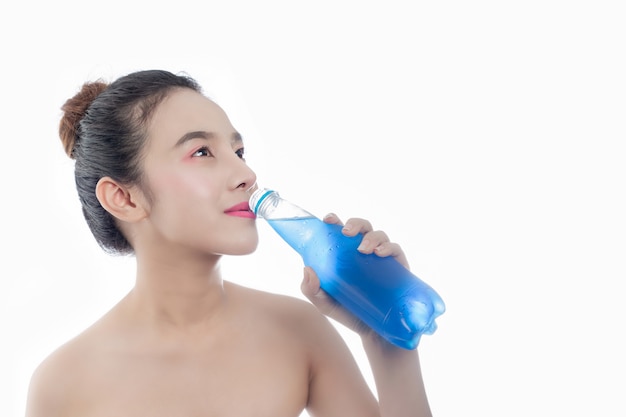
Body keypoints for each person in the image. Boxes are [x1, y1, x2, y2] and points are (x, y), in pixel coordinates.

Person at [25, 69, 433, 417]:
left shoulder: (297, 332)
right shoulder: (64, 385)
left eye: (239, 150)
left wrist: (387, 340)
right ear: (124, 198)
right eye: (202, 151)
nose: (246, 173)